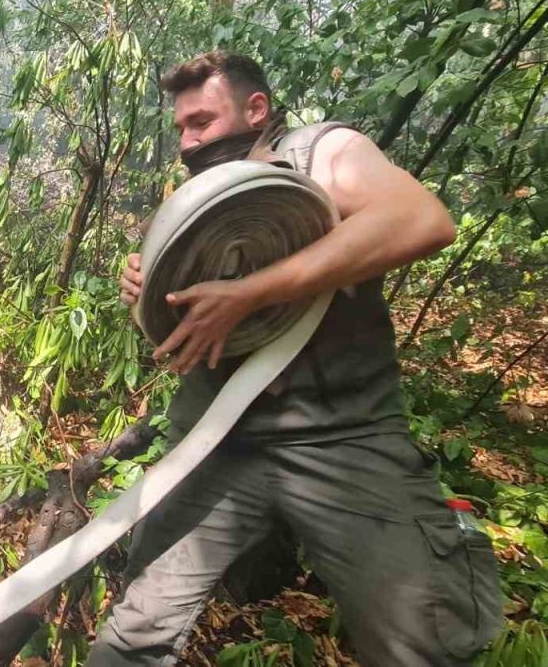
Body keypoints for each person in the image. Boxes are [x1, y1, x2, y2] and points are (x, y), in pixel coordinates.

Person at [88, 51, 503, 666]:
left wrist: (254, 292)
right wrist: (144, 289)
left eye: (202, 122)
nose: (188, 141)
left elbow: (423, 220)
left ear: (256, 109)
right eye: (181, 128)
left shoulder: (323, 152)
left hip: (342, 436)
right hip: (214, 439)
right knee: (134, 637)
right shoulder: (196, 194)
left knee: (421, 643)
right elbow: (177, 329)